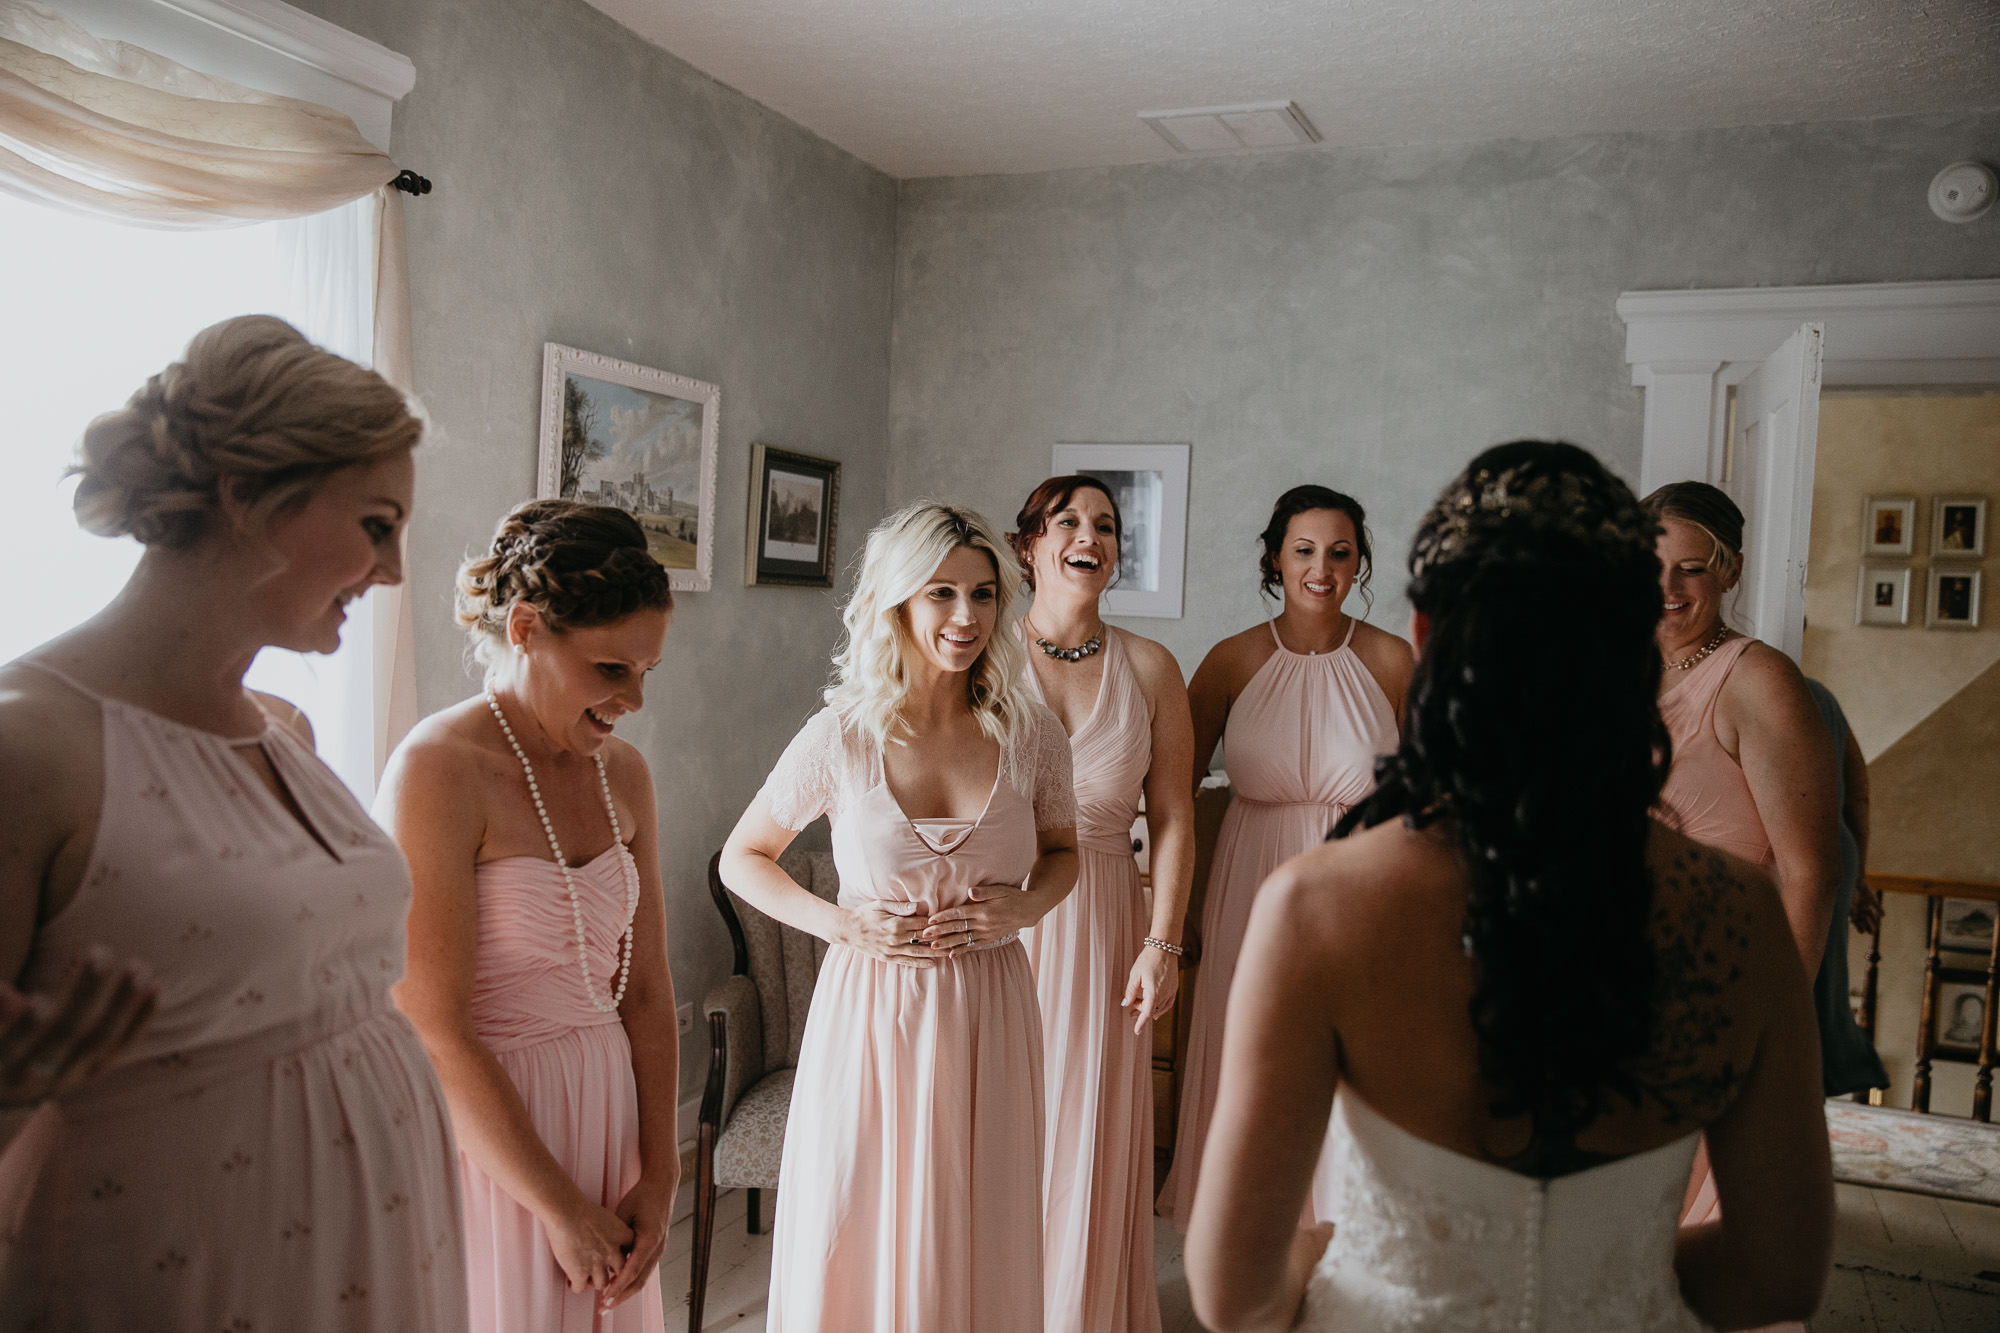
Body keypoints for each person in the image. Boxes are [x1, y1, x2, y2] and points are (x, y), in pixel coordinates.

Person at [1185, 442, 1833, 1333]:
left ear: (1426, 636)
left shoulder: (1315, 908)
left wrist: (1374, 1259)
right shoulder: (1739, 912)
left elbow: (1235, 1295)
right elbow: (1778, 1275)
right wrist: (1603, 1276)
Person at [0, 315, 468, 1329]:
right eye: (376, 524)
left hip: (376, 1246)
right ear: (246, 494)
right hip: (180, 1261)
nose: (393, 570)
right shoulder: (32, 746)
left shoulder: (282, 728)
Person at [720, 501, 1079, 1332]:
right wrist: (839, 925)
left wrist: (1026, 904)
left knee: (979, 1222)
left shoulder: (1029, 733)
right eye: (940, 592)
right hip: (872, 1014)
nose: (966, 616)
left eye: (983, 594)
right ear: (897, 600)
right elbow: (744, 856)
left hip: (991, 1010)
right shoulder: (841, 736)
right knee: (862, 1217)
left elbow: (1065, 851)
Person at [381, 500, 680, 1331]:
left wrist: (661, 1172)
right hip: (496, 1142)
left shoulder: (625, 775)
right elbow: (432, 1024)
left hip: (608, 1115)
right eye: (611, 668)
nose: (634, 698)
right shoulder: (437, 770)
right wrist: (557, 1204)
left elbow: (647, 990)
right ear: (524, 628)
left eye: (647, 671)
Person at [1157, 484, 1411, 1229]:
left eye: (1340, 552)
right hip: (1252, 876)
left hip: (1358, 881)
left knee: (1346, 1050)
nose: (1321, 569)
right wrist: (1180, 904)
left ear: (1359, 562)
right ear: (1275, 558)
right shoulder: (1231, 660)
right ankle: (1245, 1223)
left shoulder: (1394, 659)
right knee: (1254, 1044)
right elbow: (1174, 792)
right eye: (1304, 550)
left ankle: (1341, 1223)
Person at [1008, 477, 1196, 1333]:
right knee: (1000, 1121)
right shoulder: (980, 654)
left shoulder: (1151, 668)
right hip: (999, 916)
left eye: (1107, 526)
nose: (1090, 536)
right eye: (1068, 522)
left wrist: (1164, 942)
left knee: (1085, 1127)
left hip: (1103, 920)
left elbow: (1176, 815)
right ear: (1029, 546)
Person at [1645, 482, 1840, 1259]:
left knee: (1680, 1237)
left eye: (1691, 568)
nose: (1667, 587)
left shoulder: (1758, 680)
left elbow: (1811, 871)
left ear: (1730, 570)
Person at [1800, 679, 1889, 1098]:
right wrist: (1859, 876)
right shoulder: (1821, 695)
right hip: (1837, 847)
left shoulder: (1760, 686)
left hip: (1796, 851)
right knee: (1825, 974)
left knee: (1802, 974)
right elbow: (1858, 794)